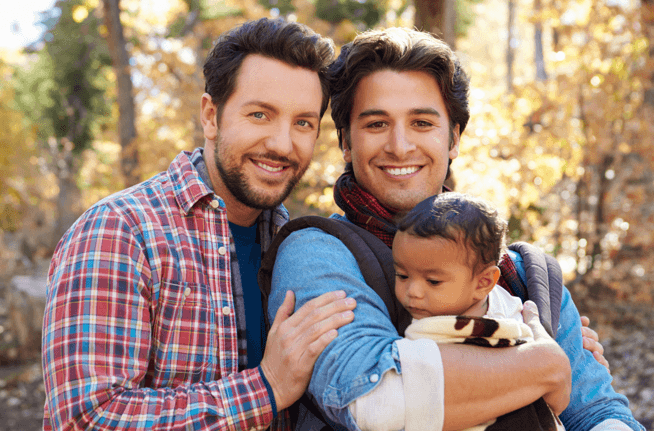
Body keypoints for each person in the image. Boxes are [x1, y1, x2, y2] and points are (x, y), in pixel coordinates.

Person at [267, 27, 643, 431]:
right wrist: (544, 366)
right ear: (345, 142)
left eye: (422, 123)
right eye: (376, 124)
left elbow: (598, 412)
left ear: (454, 139)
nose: (399, 145)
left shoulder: (527, 275)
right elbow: (374, 402)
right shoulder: (319, 252)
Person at [41, 18, 358, 430]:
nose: (283, 143)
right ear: (211, 116)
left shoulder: (292, 247)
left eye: (303, 123)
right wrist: (266, 388)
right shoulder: (119, 232)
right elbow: (88, 419)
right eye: (260, 114)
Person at [394, 192, 564, 430]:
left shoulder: (514, 313)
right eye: (402, 275)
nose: (412, 291)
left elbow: (557, 397)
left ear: (484, 283)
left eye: (433, 281)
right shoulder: (410, 321)